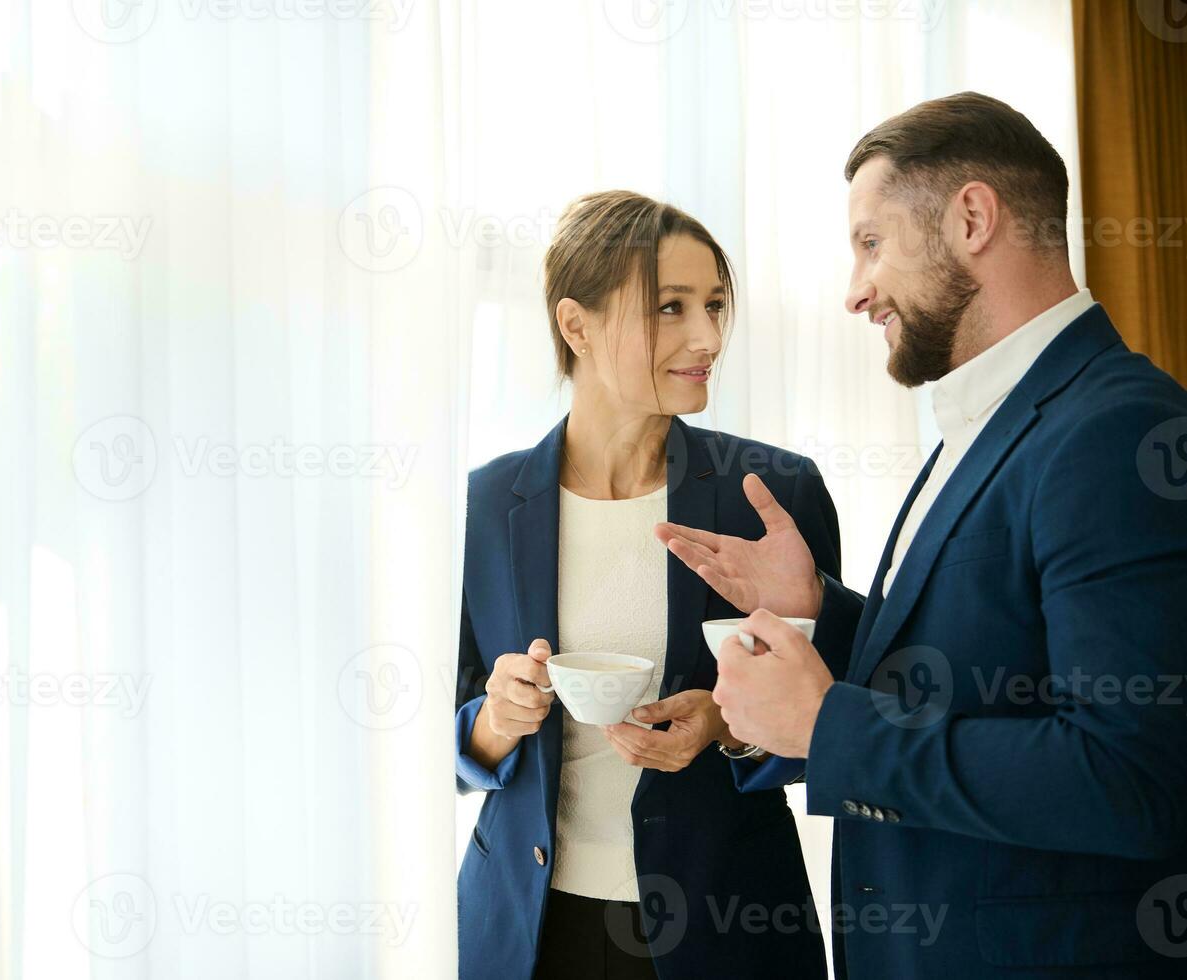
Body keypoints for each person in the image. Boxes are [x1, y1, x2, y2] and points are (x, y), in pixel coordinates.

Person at [660, 92, 1187, 978]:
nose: (854, 291)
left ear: (972, 218)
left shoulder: (1117, 431)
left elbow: (1133, 777)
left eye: (870, 242)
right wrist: (818, 613)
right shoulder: (981, 421)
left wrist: (831, 728)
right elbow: (995, 668)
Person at [454, 190, 845, 979]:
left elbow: (841, 713)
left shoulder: (771, 492)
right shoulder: (485, 503)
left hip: (725, 925)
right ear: (576, 326)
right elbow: (436, 726)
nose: (706, 336)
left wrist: (728, 724)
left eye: (713, 305)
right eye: (669, 307)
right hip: (526, 927)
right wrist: (495, 718)